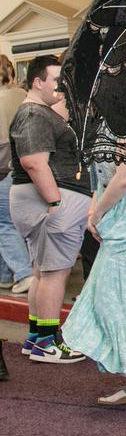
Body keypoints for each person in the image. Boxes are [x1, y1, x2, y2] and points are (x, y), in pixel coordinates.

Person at [61, 122, 126, 404]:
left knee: (117, 297)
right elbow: (103, 178)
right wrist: (96, 210)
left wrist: (96, 214)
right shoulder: (114, 125)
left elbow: (125, 177)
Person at [9, 55, 90, 362]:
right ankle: (46, 342)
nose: (60, 86)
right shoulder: (34, 114)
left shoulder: (40, 112)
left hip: (42, 199)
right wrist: (55, 201)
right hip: (48, 200)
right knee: (55, 272)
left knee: (42, 271)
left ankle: (35, 338)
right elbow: (33, 161)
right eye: (55, 79)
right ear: (37, 82)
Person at [0, 55, 33, 295]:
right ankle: (4, 274)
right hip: (25, 168)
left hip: (5, 170)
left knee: (5, 224)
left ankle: (23, 272)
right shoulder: (22, 96)